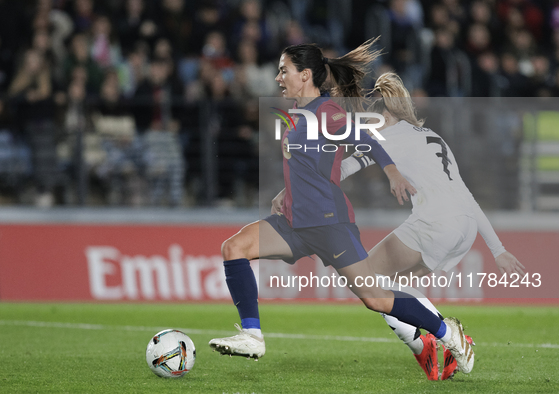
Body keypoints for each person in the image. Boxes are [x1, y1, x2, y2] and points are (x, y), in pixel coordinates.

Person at [209, 42, 476, 376]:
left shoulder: (327, 112)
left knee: (376, 298)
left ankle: (447, 334)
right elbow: (313, 164)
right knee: (234, 247)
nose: (278, 77)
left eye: (284, 70)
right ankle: (252, 335)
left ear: (304, 75)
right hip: (293, 221)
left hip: (328, 222)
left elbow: (367, 138)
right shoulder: (295, 114)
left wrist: (392, 172)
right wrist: (284, 190)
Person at [335, 72, 525, 379]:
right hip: (463, 225)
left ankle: (436, 338)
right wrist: (497, 248)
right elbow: (467, 195)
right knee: (393, 285)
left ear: (384, 115)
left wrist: (308, 172)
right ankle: (436, 340)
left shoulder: (386, 138)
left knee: (364, 278)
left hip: (435, 221)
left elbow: (345, 167)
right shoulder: (432, 136)